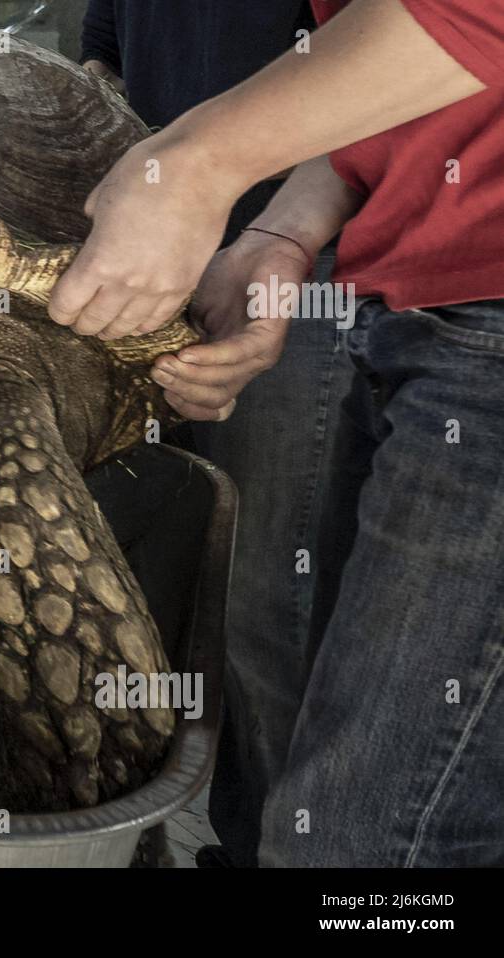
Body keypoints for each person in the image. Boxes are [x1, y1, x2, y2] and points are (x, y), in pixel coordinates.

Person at [59, 0, 504, 866]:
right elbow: (417, 80)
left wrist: (196, 163)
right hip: (418, 300)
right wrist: (283, 233)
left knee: (372, 842)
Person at [79, 0, 353, 867]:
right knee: (185, 569)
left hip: (306, 248)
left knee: (273, 596)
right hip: (164, 251)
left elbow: (421, 48)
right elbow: (104, 71)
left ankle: (277, 846)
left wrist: (267, 215)